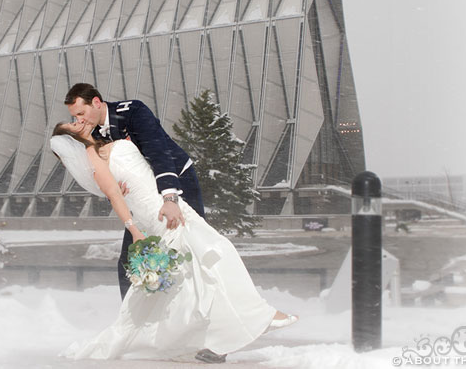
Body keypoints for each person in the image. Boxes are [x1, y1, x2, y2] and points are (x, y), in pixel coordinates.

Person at [51, 122, 297, 363]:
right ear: (72, 139)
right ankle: (257, 318)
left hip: (171, 206)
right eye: (72, 125)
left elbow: (143, 166)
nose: (78, 121)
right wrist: (134, 230)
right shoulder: (92, 155)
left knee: (202, 271)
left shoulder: (110, 142)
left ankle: (227, 330)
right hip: (158, 215)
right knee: (217, 257)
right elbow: (115, 195)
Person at [64, 83, 206, 300]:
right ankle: (134, 320)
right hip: (142, 195)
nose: (79, 120)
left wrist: (170, 198)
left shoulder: (133, 112)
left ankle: (203, 308)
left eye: (81, 113)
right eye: (75, 117)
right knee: (131, 259)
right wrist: (114, 185)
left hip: (177, 181)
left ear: (96, 102)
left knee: (193, 247)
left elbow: (159, 152)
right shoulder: (92, 135)